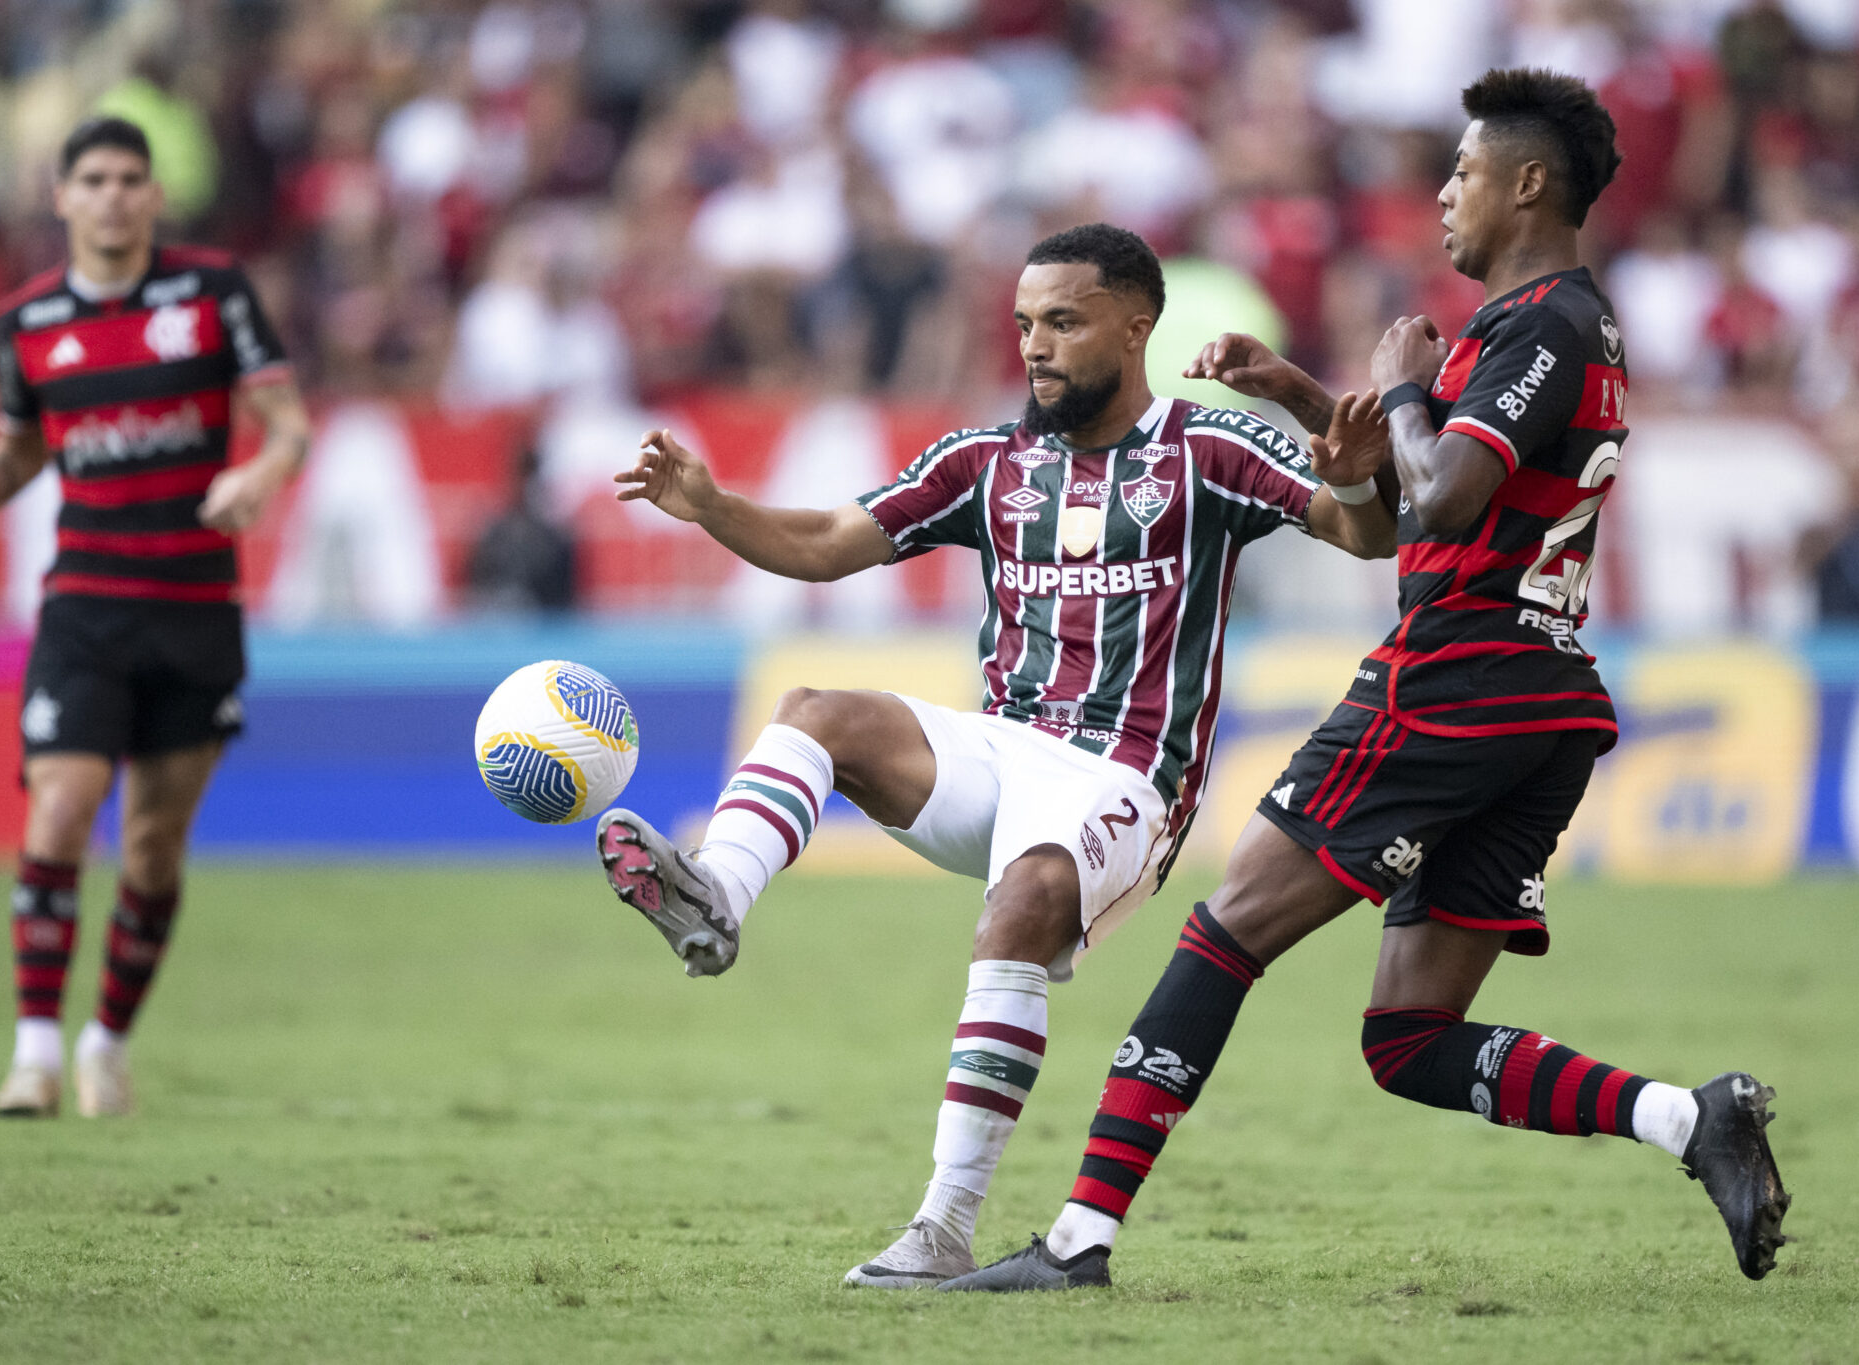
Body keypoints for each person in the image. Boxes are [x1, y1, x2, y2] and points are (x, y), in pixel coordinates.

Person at [941, 68, 1791, 1294]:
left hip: (1451, 679)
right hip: (1538, 700)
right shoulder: (1536, 332)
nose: (1443, 194)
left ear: (1527, 184)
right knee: (1407, 1038)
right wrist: (1294, 390)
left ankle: (1077, 1241)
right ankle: (1688, 1119)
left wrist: (1399, 378)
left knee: (1221, 937)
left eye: (1460, 172)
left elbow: (1442, 488)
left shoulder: (1543, 323)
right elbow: (1403, 495)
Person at [596, 222, 1400, 1287]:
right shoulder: (985, 462)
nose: (1035, 346)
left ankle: (939, 1229)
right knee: (813, 708)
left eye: (1063, 322)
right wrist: (709, 507)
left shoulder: (1204, 450)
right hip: (1005, 751)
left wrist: (1348, 483)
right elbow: (829, 545)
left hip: (1127, 777)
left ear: (1134, 325)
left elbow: (1366, 537)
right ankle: (715, 902)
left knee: (1019, 905)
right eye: (1024, 324)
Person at [0, 117, 310, 1118]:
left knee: (154, 847)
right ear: (63, 196)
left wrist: (259, 471)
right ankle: (33, 1055)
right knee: (60, 809)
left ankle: (106, 1044)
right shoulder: (27, 322)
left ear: (155, 196)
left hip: (196, 607)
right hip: (85, 601)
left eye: (132, 178)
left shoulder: (212, 293)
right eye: (95, 179)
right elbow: (21, 449)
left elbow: (288, 421)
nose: (115, 195)